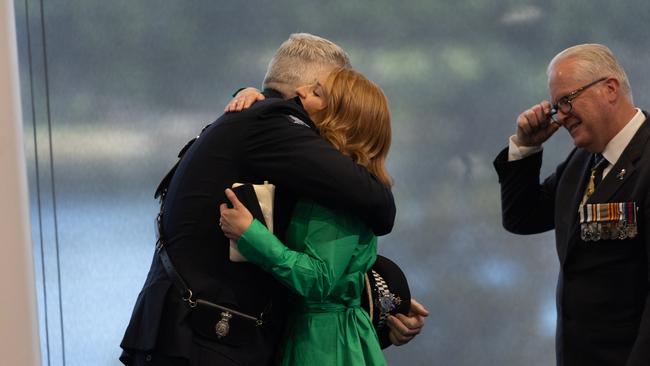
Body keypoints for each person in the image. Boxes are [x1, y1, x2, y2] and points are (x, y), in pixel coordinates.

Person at [120, 33, 425, 366]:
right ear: (306, 90)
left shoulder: (258, 124)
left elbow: (318, 260)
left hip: (197, 335)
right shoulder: (273, 125)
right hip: (200, 342)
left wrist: (385, 301)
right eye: (328, 92)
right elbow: (375, 203)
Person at [219, 67, 392, 365]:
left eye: (316, 92)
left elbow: (320, 279)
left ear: (341, 120)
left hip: (326, 345)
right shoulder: (326, 182)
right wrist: (250, 95)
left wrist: (251, 234)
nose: (301, 91)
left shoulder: (340, 195)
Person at [494, 43, 650, 365]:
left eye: (566, 100)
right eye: (555, 107)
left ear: (609, 89)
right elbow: (522, 218)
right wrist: (525, 148)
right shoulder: (582, 162)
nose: (560, 116)